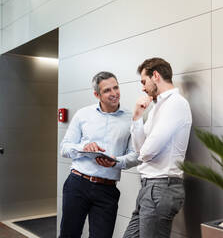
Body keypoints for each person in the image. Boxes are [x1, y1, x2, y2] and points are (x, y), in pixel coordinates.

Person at [60, 71, 140, 238]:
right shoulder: (83, 114)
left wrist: (115, 162)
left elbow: (135, 155)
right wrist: (84, 147)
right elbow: (65, 148)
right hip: (77, 184)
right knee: (69, 235)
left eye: (116, 88)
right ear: (97, 94)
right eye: (107, 90)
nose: (114, 94)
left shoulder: (131, 119)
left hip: (107, 190)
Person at [123, 58, 192, 238]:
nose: (143, 88)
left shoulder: (176, 104)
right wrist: (137, 116)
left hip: (161, 187)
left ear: (155, 76)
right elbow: (140, 150)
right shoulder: (156, 107)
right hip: (149, 188)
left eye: (144, 81)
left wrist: (144, 151)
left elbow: (146, 152)